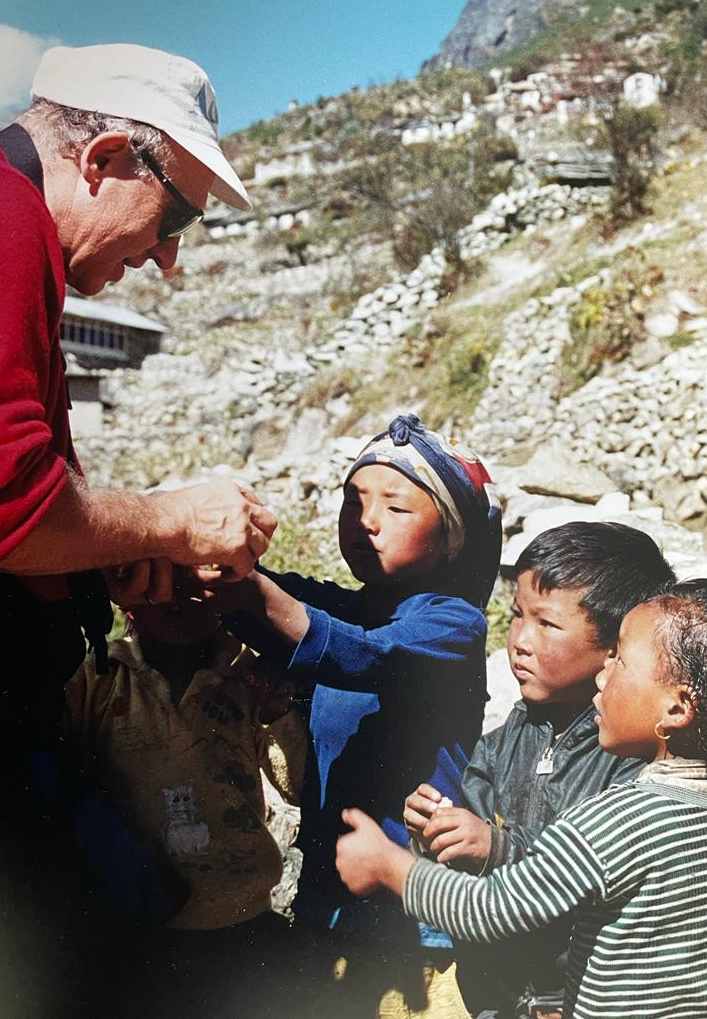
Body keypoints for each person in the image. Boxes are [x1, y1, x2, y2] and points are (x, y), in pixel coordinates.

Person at [0, 42, 277, 755]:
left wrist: (103, 550)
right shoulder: (4, 221)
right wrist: (166, 521)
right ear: (105, 158)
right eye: (174, 220)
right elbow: (8, 506)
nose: (166, 258)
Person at [338, 578, 707, 1019]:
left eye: (621, 659)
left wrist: (391, 867)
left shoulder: (619, 820)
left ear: (677, 708)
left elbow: (489, 910)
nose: (603, 672)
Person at [213, 413, 502, 1016]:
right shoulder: (351, 607)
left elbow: (361, 656)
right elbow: (285, 600)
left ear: (451, 537)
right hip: (331, 908)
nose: (366, 521)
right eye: (353, 501)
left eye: (396, 508)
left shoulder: (452, 626)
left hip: (418, 929)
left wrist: (246, 592)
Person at [403, 521, 676, 1019]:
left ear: (616, 645)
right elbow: (474, 831)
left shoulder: (633, 753)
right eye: (515, 616)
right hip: (493, 994)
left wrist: (498, 846)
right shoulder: (514, 732)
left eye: (546, 624)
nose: (519, 641)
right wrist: (437, 830)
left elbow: (595, 866)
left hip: (572, 1000)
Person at [57, 570, 307, 1016]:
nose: (175, 598)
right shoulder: (99, 676)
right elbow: (62, 773)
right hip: (142, 917)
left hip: (241, 913)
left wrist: (276, 714)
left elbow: (292, 783)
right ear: (122, 595)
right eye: (154, 581)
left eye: (195, 584)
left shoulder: (250, 676)